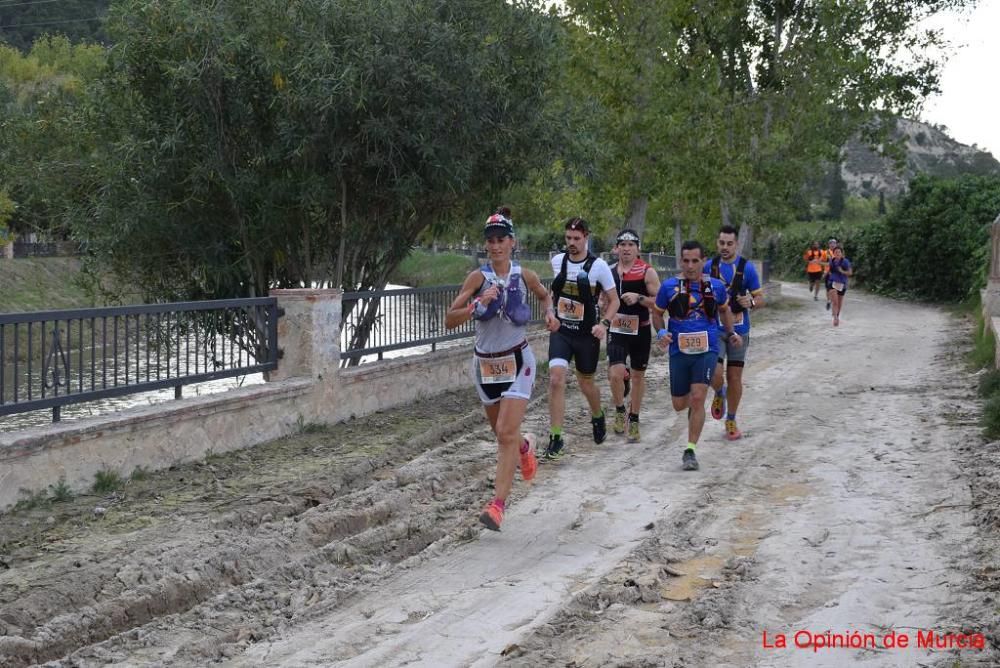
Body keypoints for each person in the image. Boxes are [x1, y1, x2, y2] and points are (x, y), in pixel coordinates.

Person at [445, 207, 553, 531]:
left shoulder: (526, 275)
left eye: (501, 239)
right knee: (503, 435)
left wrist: (550, 314)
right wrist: (478, 303)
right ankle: (525, 446)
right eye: (490, 241)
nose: (495, 246)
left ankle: (497, 506)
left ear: (512, 242)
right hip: (486, 366)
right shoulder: (478, 278)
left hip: (518, 360)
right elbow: (450, 319)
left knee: (505, 432)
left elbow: (545, 296)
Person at [651, 240, 741, 471]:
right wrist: (661, 331)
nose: (690, 266)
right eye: (686, 261)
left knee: (699, 396)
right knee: (679, 404)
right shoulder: (669, 287)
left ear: (703, 261)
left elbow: (724, 310)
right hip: (679, 351)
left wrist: (731, 333)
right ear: (681, 261)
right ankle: (714, 391)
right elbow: (658, 314)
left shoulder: (717, 287)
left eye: (695, 261)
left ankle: (690, 450)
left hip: (707, 348)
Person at [544, 217, 620, 460]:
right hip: (562, 332)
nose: (572, 243)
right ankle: (556, 437)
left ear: (586, 237)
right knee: (556, 379)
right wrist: (549, 312)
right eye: (568, 238)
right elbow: (551, 293)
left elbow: (614, 300)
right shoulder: (557, 262)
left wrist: (604, 324)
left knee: (586, 384)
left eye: (577, 239)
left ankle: (597, 415)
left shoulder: (599, 267)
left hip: (587, 335)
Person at [704, 225, 764, 441]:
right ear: (717, 243)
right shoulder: (708, 267)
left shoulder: (747, 269)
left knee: (735, 377)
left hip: (740, 329)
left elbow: (760, 299)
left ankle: (731, 419)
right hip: (716, 329)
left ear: (736, 244)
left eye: (729, 244)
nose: (725, 247)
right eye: (722, 243)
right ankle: (719, 393)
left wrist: (751, 302)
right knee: (715, 373)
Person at [606, 229, 660, 441]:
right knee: (615, 373)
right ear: (617, 248)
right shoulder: (609, 272)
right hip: (617, 329)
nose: (626, 249)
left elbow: (660, 303)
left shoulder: (647, 272)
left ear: (638, 248)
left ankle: (634, 418)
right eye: (623, 244)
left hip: (641, 330)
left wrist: (639, 298)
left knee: (638, 376)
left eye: (631, 245)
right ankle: (620, 409)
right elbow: (602, 299)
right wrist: (603, 305)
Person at [826, 246, 853, 327]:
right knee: (835, 302)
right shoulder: (832, 261)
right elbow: (830, 270)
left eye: (839, 252)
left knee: (839, 303)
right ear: (833, 253)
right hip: (832, 283)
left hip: (842, 283)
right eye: (836, 252)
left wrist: (842, 271)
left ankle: (837, 315)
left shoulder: (845, 262)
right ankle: (835, 318)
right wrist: (829, 275)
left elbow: (850, 273)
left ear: (842, 253)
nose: (837, 253)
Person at [823, 238, 839, 310]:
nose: (832, 245)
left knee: (835, 288)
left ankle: (833, 300)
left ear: (836, 244)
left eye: (834, 243)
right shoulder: (825, 253)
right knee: (828, 288)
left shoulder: (838, 252)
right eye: (831, 243)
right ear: (829, 245)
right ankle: (829, 301)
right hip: (827, 273)